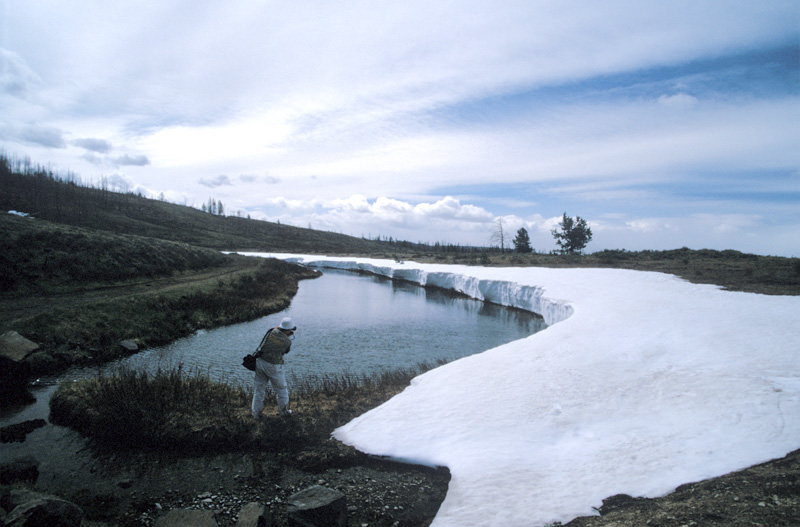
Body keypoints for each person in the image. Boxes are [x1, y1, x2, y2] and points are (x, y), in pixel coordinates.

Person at [251, 317, 296, 417]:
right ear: (288, 330)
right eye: (291, 330)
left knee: (259, 390)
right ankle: (283, 412)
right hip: (274, 366)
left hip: (260, 362)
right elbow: (285, 351)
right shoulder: (287, 341)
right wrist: (287, 336)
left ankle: (256, 414)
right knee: (281, 390)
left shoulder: (271, 331)